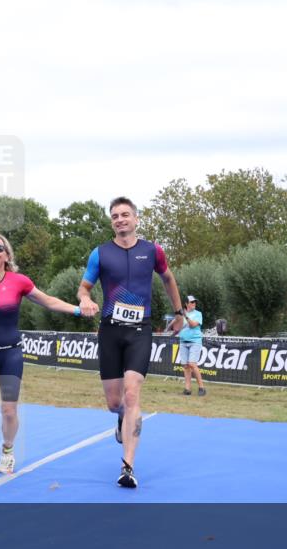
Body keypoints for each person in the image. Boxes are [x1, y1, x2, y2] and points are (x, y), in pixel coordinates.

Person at [0, 233, 98, 474]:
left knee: (8, 410)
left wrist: (78, 310)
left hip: (11, 355)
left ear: (7, 255)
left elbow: (48, 301)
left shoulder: (19, 281)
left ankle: (7, 451)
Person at [77, 196, 184, 489]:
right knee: (115, 403)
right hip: (110, 331)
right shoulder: (100, 254)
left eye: (125, 214)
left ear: (136, 219)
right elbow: (83, 288)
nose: (120, 219)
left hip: (140, 331)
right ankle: (122, 418)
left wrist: (178, 313)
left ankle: (127, 467)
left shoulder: (152, 251)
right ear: (112, 222)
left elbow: (168, 278)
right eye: (115, 216)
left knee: (133, 392)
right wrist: (85, 300)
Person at [179, 295, 206, 396]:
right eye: (192, 302)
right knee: (186, 366)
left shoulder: (198, 314)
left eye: (195, 302)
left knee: (192, 364)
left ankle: (202, 387)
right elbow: (177, 326)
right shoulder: (180, 315)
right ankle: (187, 389)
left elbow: (193, 325)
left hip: (195, 342)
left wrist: (185, 316)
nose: (194, 304)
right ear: (186, 304)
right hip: (183, 342)